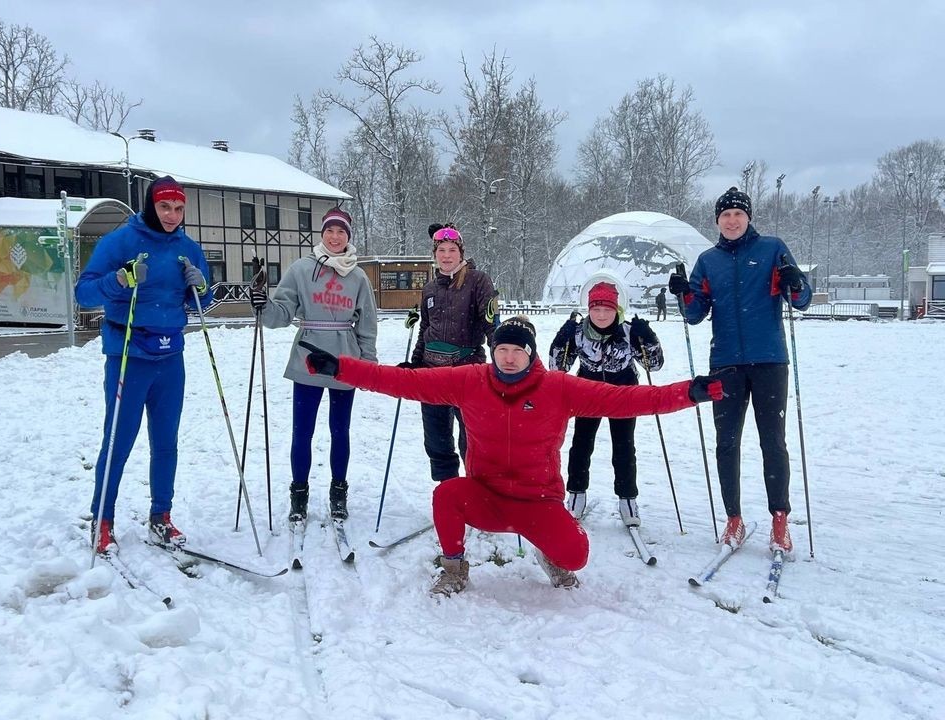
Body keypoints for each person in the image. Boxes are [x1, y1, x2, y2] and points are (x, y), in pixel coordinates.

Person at [298, 317, 727, 597]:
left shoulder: (559, 388)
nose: (508, 356)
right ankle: (454, 567)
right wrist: (340, 368)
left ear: (530, 353)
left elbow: (627, 399)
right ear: (495, 351)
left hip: (537, 501)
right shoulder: (469, 380)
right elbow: (401, 382)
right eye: (502, 348)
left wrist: (687, 393)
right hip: (484, 496)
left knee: (575, 556)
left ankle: (547, 549)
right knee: (447, 493)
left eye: (517, 350)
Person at [668, 186, 811, 554]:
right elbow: (695, 314)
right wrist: (684, 292)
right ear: (717, 221)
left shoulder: (771, 249)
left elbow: (802, 299)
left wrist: (795, 282)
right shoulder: (707, 261)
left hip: (769, 361)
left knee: (773, 441)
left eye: (738, 214)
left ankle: (780, 519)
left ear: (748, 218)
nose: (732, 221)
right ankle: (733, 518)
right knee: (726, 442)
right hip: (726, 363)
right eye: (725, 215)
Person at [75, 176, 212, 554]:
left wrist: (200, 286)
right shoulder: (120, 242)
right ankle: (102, 521)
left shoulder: (187, 247)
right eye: (165, 207)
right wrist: (119, 279)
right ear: (152, 205)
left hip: (171, 358)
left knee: (166, 443)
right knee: (118, 442)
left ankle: (161, 518)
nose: (172, 215)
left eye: (179, 208)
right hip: (128, 357)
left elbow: (206, 297)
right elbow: (83, 292)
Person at [250, 207, 377, 523]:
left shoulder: (358, 276)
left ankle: (338, 493)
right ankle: (299, 493)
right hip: (308, 355)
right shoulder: (301, 269)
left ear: (348, 236)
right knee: (302, 431)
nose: (335, 237)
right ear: (322, 234)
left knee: (340, 431)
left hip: (344, 360)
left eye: (341, 232)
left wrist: (368, 364)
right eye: (330, 231)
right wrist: (262, 304)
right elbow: (281, 313)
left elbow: (368, 324)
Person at [549, 281, 663, 525]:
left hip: (623, 393)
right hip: (587, 393)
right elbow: (557, 368)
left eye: (607, 309)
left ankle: (627, 498)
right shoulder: (579, 333)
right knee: (581, 444)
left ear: (616, 309)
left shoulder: (629, 332)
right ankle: (576, 494)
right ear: (589, 309)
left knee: (624, 447)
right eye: (596, 309)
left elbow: (654, 365)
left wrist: (649, 338)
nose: (601, 315)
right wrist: (561, 340)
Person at [403, 223, 496, 482]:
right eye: (441, 250)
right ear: (434, 254)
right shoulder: (430, 288)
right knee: (437, 440)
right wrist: (415, 363)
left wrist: (502, 357)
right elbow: (425, 327)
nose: (446, 255)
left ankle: (476, 492)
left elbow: (491, 323)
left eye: (451, 249)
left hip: (467, 371)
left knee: (472, 439)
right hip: (432, 373)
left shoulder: (478, 281)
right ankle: (448, 491)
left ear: (461, 251)